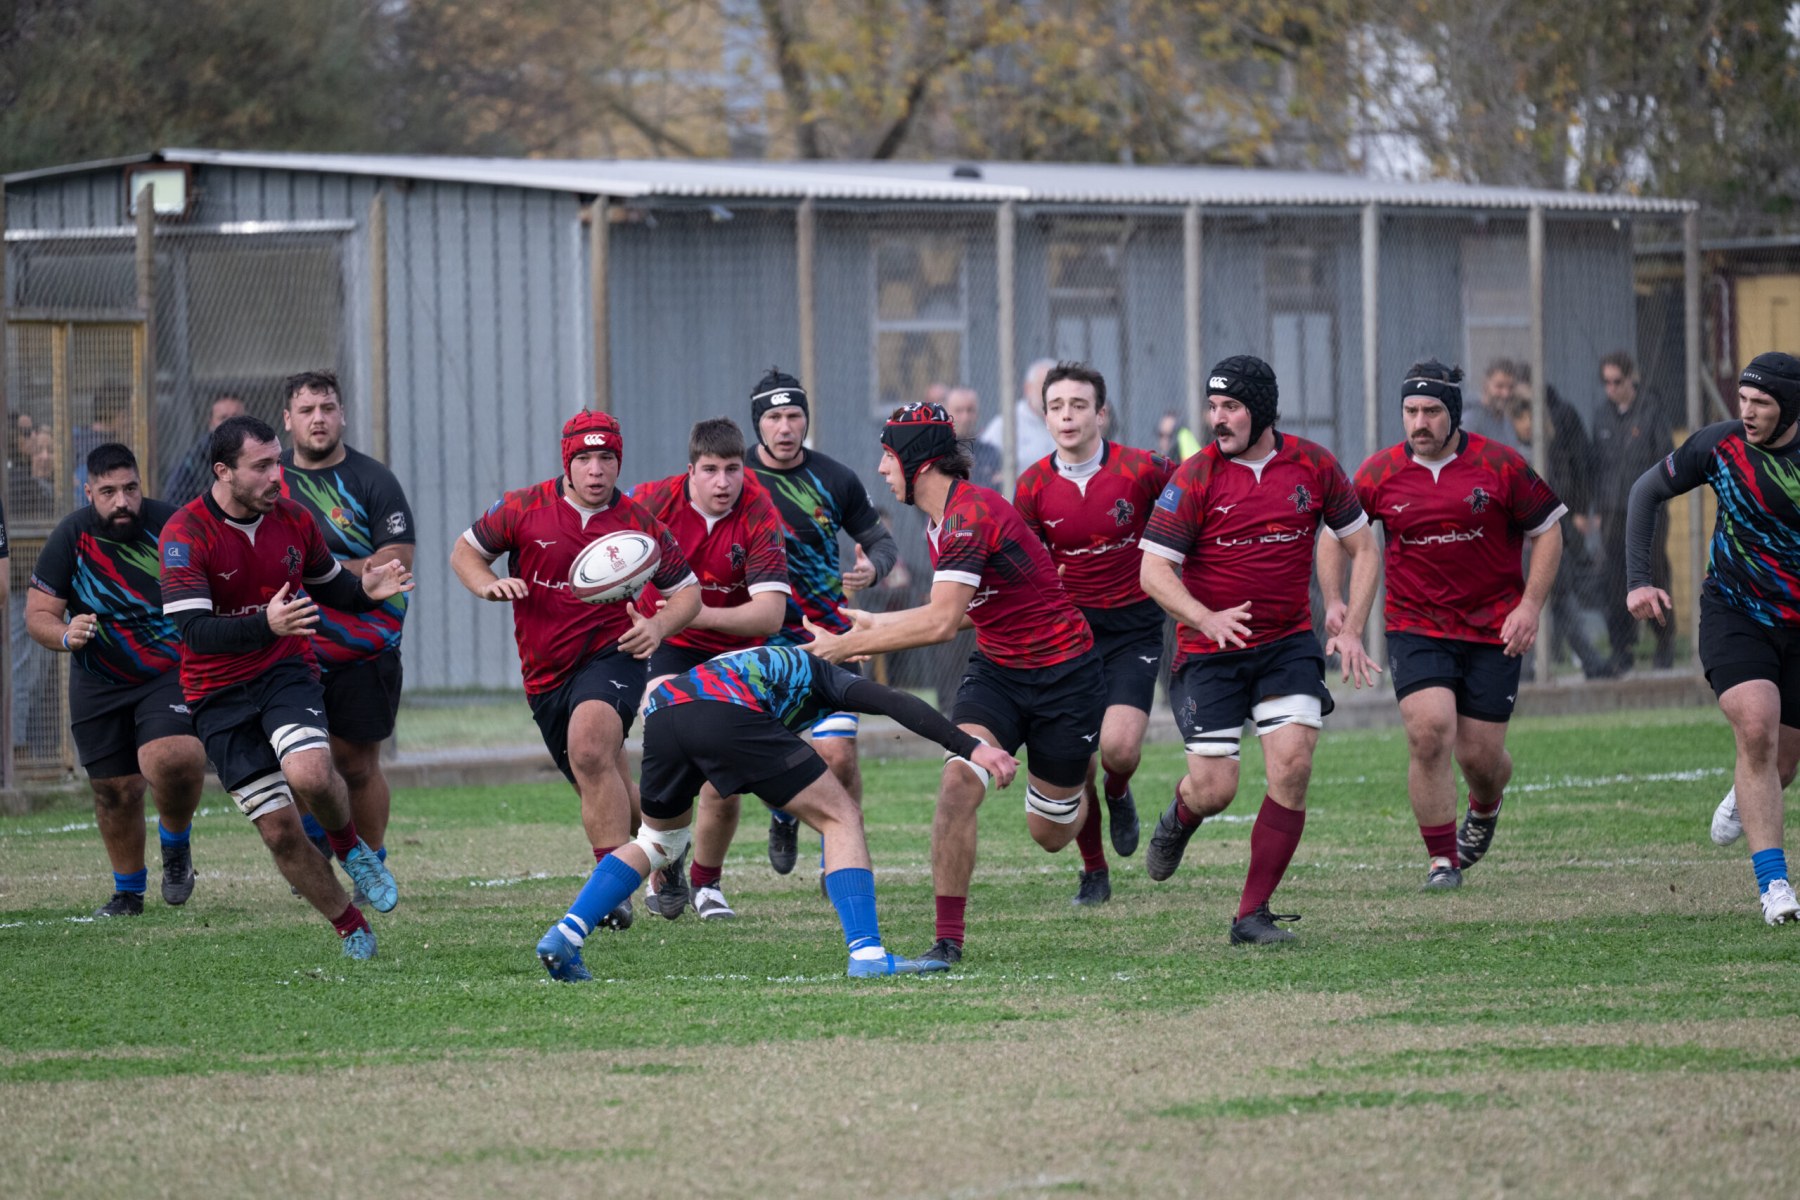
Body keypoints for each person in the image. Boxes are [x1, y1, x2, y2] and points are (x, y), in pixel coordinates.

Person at [808, 402, 1103, 965]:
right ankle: (948, 942)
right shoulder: (940, 519)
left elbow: (942, 622)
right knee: (957, 783)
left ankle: (1087, 783)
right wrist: (875, 628)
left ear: (917, 462)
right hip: (997, 674)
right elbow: (966, 610)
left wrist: (844, 647)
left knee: (1050, 834)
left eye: (888, 456)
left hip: (1066, 676)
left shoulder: (970, 516)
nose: (881, 469)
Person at [535, 644, 1018, 981]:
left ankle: (566, 935)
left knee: (657, 842)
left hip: (664, 712)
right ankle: (868, 953)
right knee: (841, 816)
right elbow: (894, 702)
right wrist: (972, 747)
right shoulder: (825, 674)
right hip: (722, 709)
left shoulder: (763, 663)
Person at [1138, 354, 1380, 944]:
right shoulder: (1195, 476)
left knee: (1292, 766)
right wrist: (1205, 617)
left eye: (1232, 407)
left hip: (1286, 645)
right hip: (1208, 652)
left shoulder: (1314, 466)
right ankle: (1181, 814)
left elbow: (1363, 547)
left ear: (1263, 410)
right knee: (1215, 789)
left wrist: (1350, 627)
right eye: (1213, 406)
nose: (1218, 419)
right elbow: (1153, 571)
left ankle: (1251, 915)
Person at [159, 416, 410, 958]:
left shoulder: (294, 518)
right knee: (278, 830)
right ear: (224, 472)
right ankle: (350, 925)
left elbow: (332, 586)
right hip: (216, 693)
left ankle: (352, 849)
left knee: (312, 773)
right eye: (263, 466)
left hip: (284, 672)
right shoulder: (185, 532)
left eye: (278, 461)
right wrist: (264, 623)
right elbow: (193, 631)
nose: (278, 475)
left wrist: (366, 590)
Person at [451, 409, 700, 931]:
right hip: (544, 674)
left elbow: (688, 593)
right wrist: (486, 584)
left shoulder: (640, 524)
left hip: (614, 656)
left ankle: (609, 894)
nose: (596, 469)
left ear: (618, 462)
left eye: (606, 458)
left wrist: (657, 627)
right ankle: (669, 847)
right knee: (605, 790)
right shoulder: (523, 508)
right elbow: (465, 553)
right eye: (584, 458)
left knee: (589, 748)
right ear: (567, 462)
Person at [1331, 361, 1566, 889]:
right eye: (1411, 411)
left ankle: (1485, 803)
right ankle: (1442, 861)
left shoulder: (1500, 464)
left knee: (1481, 757)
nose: (1420, 422)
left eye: (1432, 411)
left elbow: (1549, 532)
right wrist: (1336, 604)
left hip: (1492, 629)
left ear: (1453, 413)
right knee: (1429, 732)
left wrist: (1530, 606)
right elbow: (1336, 534)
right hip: (1416, 625)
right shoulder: (1378, 472)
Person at [1625, 352, 1800, 925]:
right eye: (1743, 400)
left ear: (1789, 407)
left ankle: (1744, 791)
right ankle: (1775, 888)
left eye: (1761, 403)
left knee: (1781, 760)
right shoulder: (1720, 445)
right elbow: (1645, 492)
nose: (1747, 412)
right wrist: (1638, 581)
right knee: (1756, 726)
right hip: (1735, 611)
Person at [1014, 362, 1176, 906]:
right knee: (1076, 757)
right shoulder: (1032, 486)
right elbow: (1022, 566)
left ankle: (1120, 790)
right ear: (1045, 416)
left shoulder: (1144, 469)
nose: (1067, 416)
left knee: (1119, 750)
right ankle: (1093, 871)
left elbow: (1195, 500)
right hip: (1070, 638)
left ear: (1101, 413)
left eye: (1079, 405)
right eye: (1057, 406)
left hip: (1133, 630)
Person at [25, 443, 207, 916]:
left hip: (168, 670)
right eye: (108, 492)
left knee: (173, 758)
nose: (122, 501)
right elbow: (38, 614)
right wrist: (66, 634)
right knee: (115, 790)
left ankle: (176, 846)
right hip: (98, 678)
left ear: (141, 485)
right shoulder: (71, 536)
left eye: (130, 488)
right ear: (88, 493)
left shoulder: (173, 526)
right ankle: (128, 893)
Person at [629, 417, 790, 920]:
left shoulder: (759, 510)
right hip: (670, 643)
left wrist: (693, 611)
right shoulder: (650, 502)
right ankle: (667, 864)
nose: (723, 482)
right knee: (668, 732)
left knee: (722, 767)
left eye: (733, 469)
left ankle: (707, 883)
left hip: (735, 647)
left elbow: (770, 615)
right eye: (711, 470)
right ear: (690, 471)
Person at [744, 367, 899, 878]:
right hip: (757, 638)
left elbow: (881, 542)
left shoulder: (835, 478)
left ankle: (841, 859)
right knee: (765, 756)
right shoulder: (733, 478)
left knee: (840, 755)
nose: (785, 427)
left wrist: (873, 568)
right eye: (774, 418)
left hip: (828, 637)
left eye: (794, 416)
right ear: (758, 423)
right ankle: (782, 815)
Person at [277, 371, 414, 888]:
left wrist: (316, 569)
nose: (319, 419)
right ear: (287, 419)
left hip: (363, 644)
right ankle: (318, 841)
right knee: (296, 760)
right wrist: (350, 568)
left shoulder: (373, 479)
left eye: (327, 408)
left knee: (356, 765)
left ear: (342, 415)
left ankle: (371, 864)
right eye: (307, 410)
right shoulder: (269, 481)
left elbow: (395, 561)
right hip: (288, 646)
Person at [1508, 384, 1609, 678]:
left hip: (1550, 540)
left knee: (1563, 602)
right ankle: (1523, 669)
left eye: (1532, 418)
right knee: (1527, 604)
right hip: (1524, 546)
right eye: (1523, 419)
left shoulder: (1549, 451)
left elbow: (1561, 490)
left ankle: (1591, 662)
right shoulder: (1512, 454)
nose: (1528, 425)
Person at [1593, 350, 1675, 672]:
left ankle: (1664, 642)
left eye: (1617, 381)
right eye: (1606, 382)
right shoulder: (1602, 415)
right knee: (1615, 578)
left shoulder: (1651, 411)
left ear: (1631, 379)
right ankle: (1621, 648)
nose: (1611, 388)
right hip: (1612, 510)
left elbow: (1666, 457)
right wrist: (1595, 508)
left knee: (1653, 573)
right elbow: (1596, 465)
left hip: (1648, 510)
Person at [978, 358, 1058, 481]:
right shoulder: (1008, 423)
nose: (1050, 392)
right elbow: (983, 463)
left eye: (1055, 386)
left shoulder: (1069, 420)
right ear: (1027, 388)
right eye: (1044, 386)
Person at [166, 395, 247, 506]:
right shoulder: (193, 460)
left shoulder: (262, 453)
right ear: (211, 423)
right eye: (223, 418)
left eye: (236, 417)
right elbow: (174, 501)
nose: (230, 423)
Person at [1463, 359, 1526, 452]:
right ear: (1485, 385)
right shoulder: (1471, 420)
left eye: (1511, 387)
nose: (1506, 394)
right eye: (1499, 386)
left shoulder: (1506, 421)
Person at [946, 385, 1002, 488]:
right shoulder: (939, 454)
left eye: (970, 410)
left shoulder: (990, 452)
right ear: (947, 414)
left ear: (977, 413)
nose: (965, 417)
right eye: (958, 411)